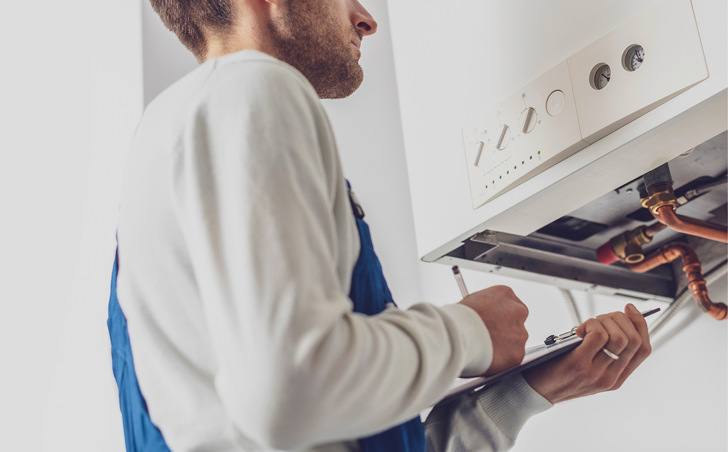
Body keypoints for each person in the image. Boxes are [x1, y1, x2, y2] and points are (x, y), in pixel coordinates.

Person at [107, 0, 652, 451]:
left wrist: (528, 391)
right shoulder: (252, 89)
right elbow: (290, 392)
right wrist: (468, 333)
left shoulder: (166, 151)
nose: (366, 18)